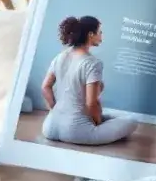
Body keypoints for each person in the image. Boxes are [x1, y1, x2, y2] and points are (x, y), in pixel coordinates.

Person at [41, 16, 138, 146]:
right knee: (132, 120)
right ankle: (95, 124)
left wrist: (56, 109)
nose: (102, 36)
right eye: (100, 32)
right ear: (91, 35)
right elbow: (91, 103)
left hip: (49, 127)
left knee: (109, 114)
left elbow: (45, 87)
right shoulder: (93, 63)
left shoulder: (60, 56)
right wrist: (96, 123)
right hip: (75, 132)